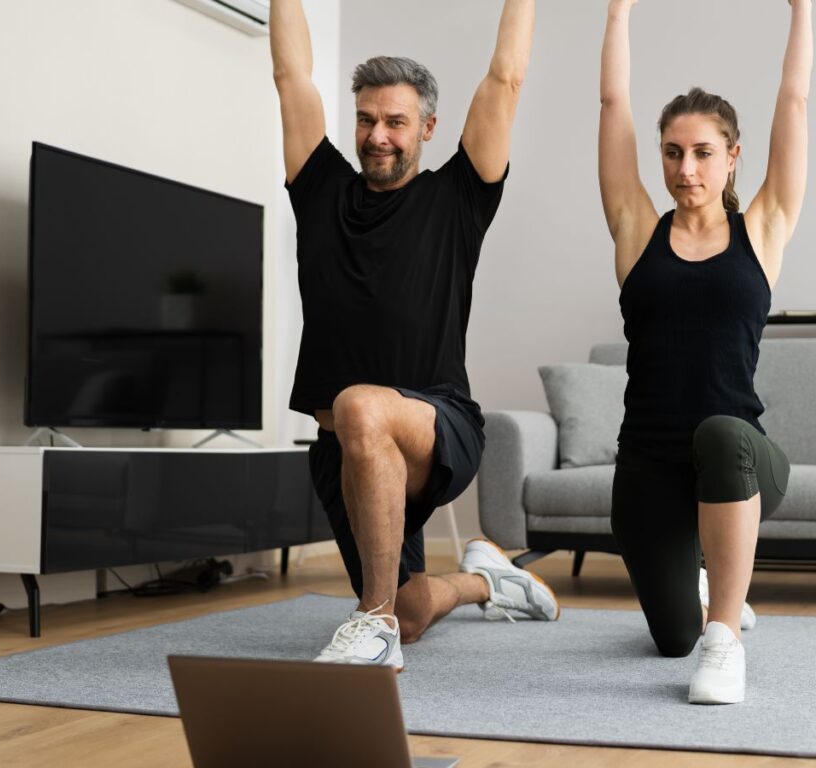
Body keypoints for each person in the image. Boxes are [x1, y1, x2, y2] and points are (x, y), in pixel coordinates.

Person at [270, 0, 559, 672]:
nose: (378, 136)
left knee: (362, 404)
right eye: (367, 120)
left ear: (427, 127)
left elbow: (506, 78)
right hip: (344, 449)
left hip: (439, 425)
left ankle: (370, 628)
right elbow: (291, 77)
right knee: (411, 609)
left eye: (396, 122)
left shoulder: (457, 197)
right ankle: (488, 580)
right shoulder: (319, 192)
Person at [599, 0, 810, 703]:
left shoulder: (766, 227)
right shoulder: (636, 229)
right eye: (672, 152)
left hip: (740, 457)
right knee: (669, 638)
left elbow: (794, 98)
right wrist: (619, 11)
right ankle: (712, 592)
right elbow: (612, 101)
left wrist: (803, 10)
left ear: (732, 157)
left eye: (703, 152)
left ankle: (727, 638)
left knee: (721, 434)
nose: (686, 168)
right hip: (648, 466)